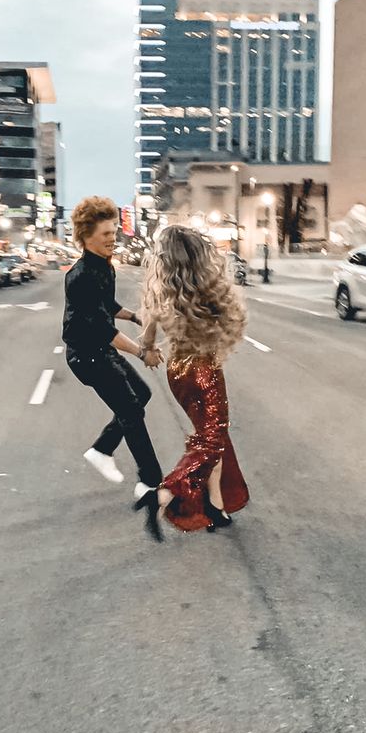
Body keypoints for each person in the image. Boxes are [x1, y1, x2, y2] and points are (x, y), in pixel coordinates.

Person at [135, 225, 249, 538]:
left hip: (177, 372)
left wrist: (150, 350)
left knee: (210, 437)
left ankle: (215, 506)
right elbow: (228, 324)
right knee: (212, 441)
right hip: (205, 371)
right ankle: (164, 493)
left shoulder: (161, 295)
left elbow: (146, 344)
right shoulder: (208, 290)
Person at [63, 197, 164, 539]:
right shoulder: (79, 277)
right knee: (131, 411)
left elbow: (108, 307)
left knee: (143, 394)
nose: (112, 238)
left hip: (100, 350)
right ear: (86, 235)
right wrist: (141, 352)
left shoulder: (105, 265)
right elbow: (102, 328)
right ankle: (150, 481)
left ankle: (103, 449)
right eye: (106, 233)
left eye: (114, 232)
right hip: (86, 356)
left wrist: (135, 315)